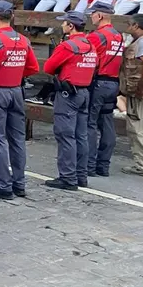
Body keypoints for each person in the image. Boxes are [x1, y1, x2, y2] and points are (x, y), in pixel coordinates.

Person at [0, 1, 39, 200]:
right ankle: (19, 183)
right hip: (16, 91)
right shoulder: (23, 39)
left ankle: (3, 184)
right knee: (17, 139)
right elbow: (33, 68)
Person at [42, 11, 98, 190]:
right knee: (81, 136)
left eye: (65, 23)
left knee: (65, 136)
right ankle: (81, 175)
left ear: (71, 26)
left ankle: (67, 177)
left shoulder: (68, 46)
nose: (62, 25)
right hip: (83, 92)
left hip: (68, 94)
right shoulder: (90, 44)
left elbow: (48, 68)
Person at [85, 1, 124, 177]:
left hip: (98, 82)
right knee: (107, 123)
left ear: (99, 15)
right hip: (113, 82)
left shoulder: (96, 36)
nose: (91, 16)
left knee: (90, 124)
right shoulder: (118, 35)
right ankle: (103, 165)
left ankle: (90, 165)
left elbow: (90, 60)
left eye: (93, 13)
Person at [121, 15, 143, 176]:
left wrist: (142, 87)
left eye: (129, 25)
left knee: (139, 127)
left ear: (136, 26)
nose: (127, 27)